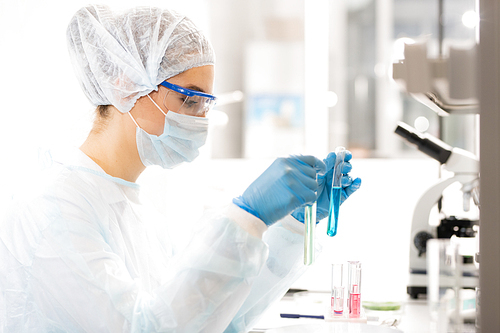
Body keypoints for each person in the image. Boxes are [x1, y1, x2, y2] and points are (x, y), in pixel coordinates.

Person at [0, 5, 361, 333]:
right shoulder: (53, 210)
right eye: (189, 99)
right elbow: (147, 329)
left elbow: (211, 319)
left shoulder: (137, 210)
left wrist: (292, 227)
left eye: (207, 104)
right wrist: (245, 217)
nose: (201, 121)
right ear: (124, 85)